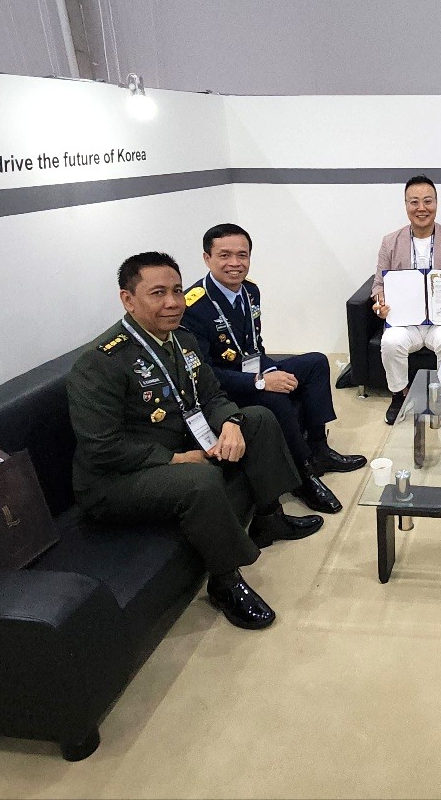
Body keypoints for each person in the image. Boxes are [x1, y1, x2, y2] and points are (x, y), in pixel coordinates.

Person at [67, 251, 323, 630]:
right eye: (158, 293)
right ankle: (225, 582)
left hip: (181, 443)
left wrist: (230, 422)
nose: (173, 302)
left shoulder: (182, 340)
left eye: (176, 290)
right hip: (116, 479)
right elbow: (101, 447)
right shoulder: (101, 362)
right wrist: (176, 460)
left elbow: (212, 395)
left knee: (257, 419)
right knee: (200, 479)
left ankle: (270, 518)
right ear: (128, 299)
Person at [181, 223, 366, 515]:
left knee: (316, 362)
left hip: (253, 371)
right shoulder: (193, 306)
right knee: (273, 396)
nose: (235, 263)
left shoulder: (250, 290)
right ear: (207, 258)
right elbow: (205, 374)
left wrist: (269, 372)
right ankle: (304, 474)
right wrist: (261, 382)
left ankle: (319, 449)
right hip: (225, 387)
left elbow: (255, 346)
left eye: (242, 255)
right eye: (224, 255)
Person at [370, 174, 441, 423]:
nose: (421, 208)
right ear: (406, 205)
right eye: (414, 202)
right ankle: (399, 395)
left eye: (428, 201)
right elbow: (378, 284)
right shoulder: (390, 242)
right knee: (391, 342)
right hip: (405, 321)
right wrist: (379, 303)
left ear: (436, 203)